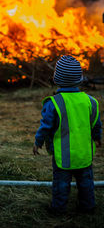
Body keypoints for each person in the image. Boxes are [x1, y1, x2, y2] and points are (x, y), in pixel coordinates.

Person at [33, 55, 102, 215]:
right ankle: (88, 207)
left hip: (63, 156)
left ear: (56, 79)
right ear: (80, 80)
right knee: (86, 183)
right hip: (84, 154)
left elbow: (46, 126)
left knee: (61, 184)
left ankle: (58, 209)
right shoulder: (90, 101)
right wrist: (98, 138)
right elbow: (96, 124)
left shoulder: (54, 102)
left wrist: (38, 141)